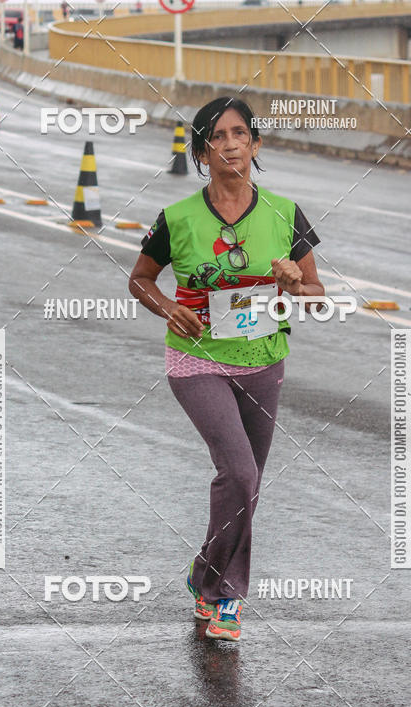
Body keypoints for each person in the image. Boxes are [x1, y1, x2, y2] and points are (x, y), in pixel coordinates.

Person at [129, 96, 324, 642]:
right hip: (196, 361)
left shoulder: (286, 213)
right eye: (217, 136)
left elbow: (317, 294)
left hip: (263, 359)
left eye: (240, 133)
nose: (230, 143)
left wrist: (293, 285)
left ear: (256, 145)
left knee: (249, 482)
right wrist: (169, 308)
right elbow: (140, 278)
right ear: (202, 152)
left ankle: (205, 573)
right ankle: (225, 596)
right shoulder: (178, 218)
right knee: (239, 472)